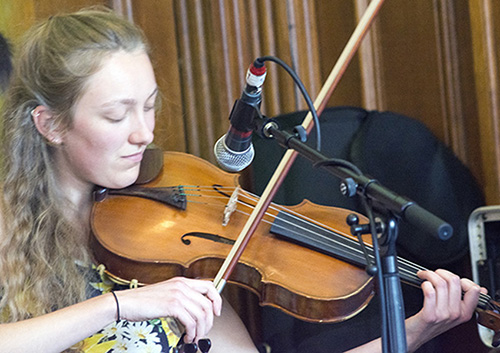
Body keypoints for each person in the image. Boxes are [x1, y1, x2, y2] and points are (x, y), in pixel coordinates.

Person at [0, 7, 483, 353]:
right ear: (51, 124)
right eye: (115, 115)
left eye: (149, 106)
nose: (144, 133)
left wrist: (416, 329)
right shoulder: (7, 228)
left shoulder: (164, 248)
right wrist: (118, 306)